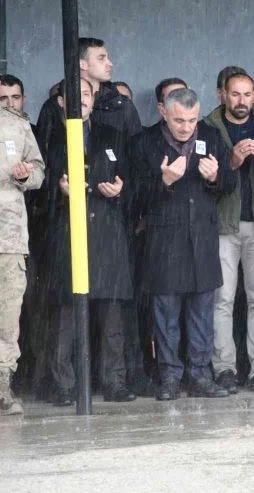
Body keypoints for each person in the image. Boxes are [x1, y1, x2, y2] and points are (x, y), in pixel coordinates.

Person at [130, 88, 235, 400]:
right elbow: (134, 195)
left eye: (191, 120)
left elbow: (230, 184)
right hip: (163, 239)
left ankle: (201, 375)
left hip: (202, 237)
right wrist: (163, 182)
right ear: (163, 112)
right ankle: (170, 377)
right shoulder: (145, 142)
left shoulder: (213, 137)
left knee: (202, 311)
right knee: (166, 313)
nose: (186, 127)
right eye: (179, 120)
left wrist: (216, 176)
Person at [46, 78, 135, 405]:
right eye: (74, 95)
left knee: (111, 316)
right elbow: (37, 190)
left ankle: (114, 381)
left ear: (93, 98)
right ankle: (64, 385)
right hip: (68, 232)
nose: (81, 100)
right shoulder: (51, 137)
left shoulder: (111, 135)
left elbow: (133, 183)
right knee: (66, 318)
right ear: (60, 101)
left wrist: (120, 190)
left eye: (86, 94)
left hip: (107, 232)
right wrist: (59, 191)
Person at [204, 72, 254, 394]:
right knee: (221, 300)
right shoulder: (207, 127)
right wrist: (232, 162)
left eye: (247, 94)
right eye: (235, 94)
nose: (241, 101)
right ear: (222, 94)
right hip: (222, 224)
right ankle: (224, 369)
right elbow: (204, 179)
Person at [0, 104, 44, 415]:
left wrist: (27, 175)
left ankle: (2, 386)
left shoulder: (15, 125)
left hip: (8, 237)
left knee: (7, 317)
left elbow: (39, 172)